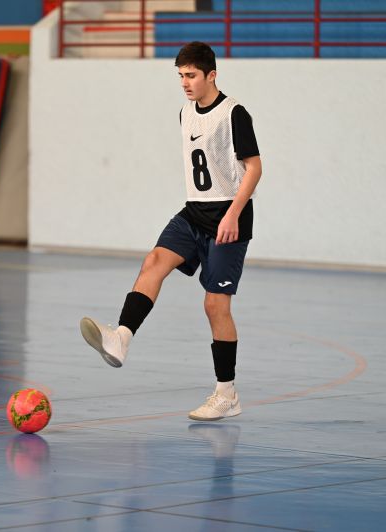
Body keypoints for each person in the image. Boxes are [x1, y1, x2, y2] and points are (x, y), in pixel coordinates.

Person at [80, 41, 262, 422]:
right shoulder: (185, 112)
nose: (185, 83)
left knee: (215, 306)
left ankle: (226, 394)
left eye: (191, 75)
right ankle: (122, 338)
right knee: (154, 261)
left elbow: (254, 168)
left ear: (211, 75)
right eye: (180, 76)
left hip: (228, 219)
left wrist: (233, 214)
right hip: (194, 213)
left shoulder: (234, 113)